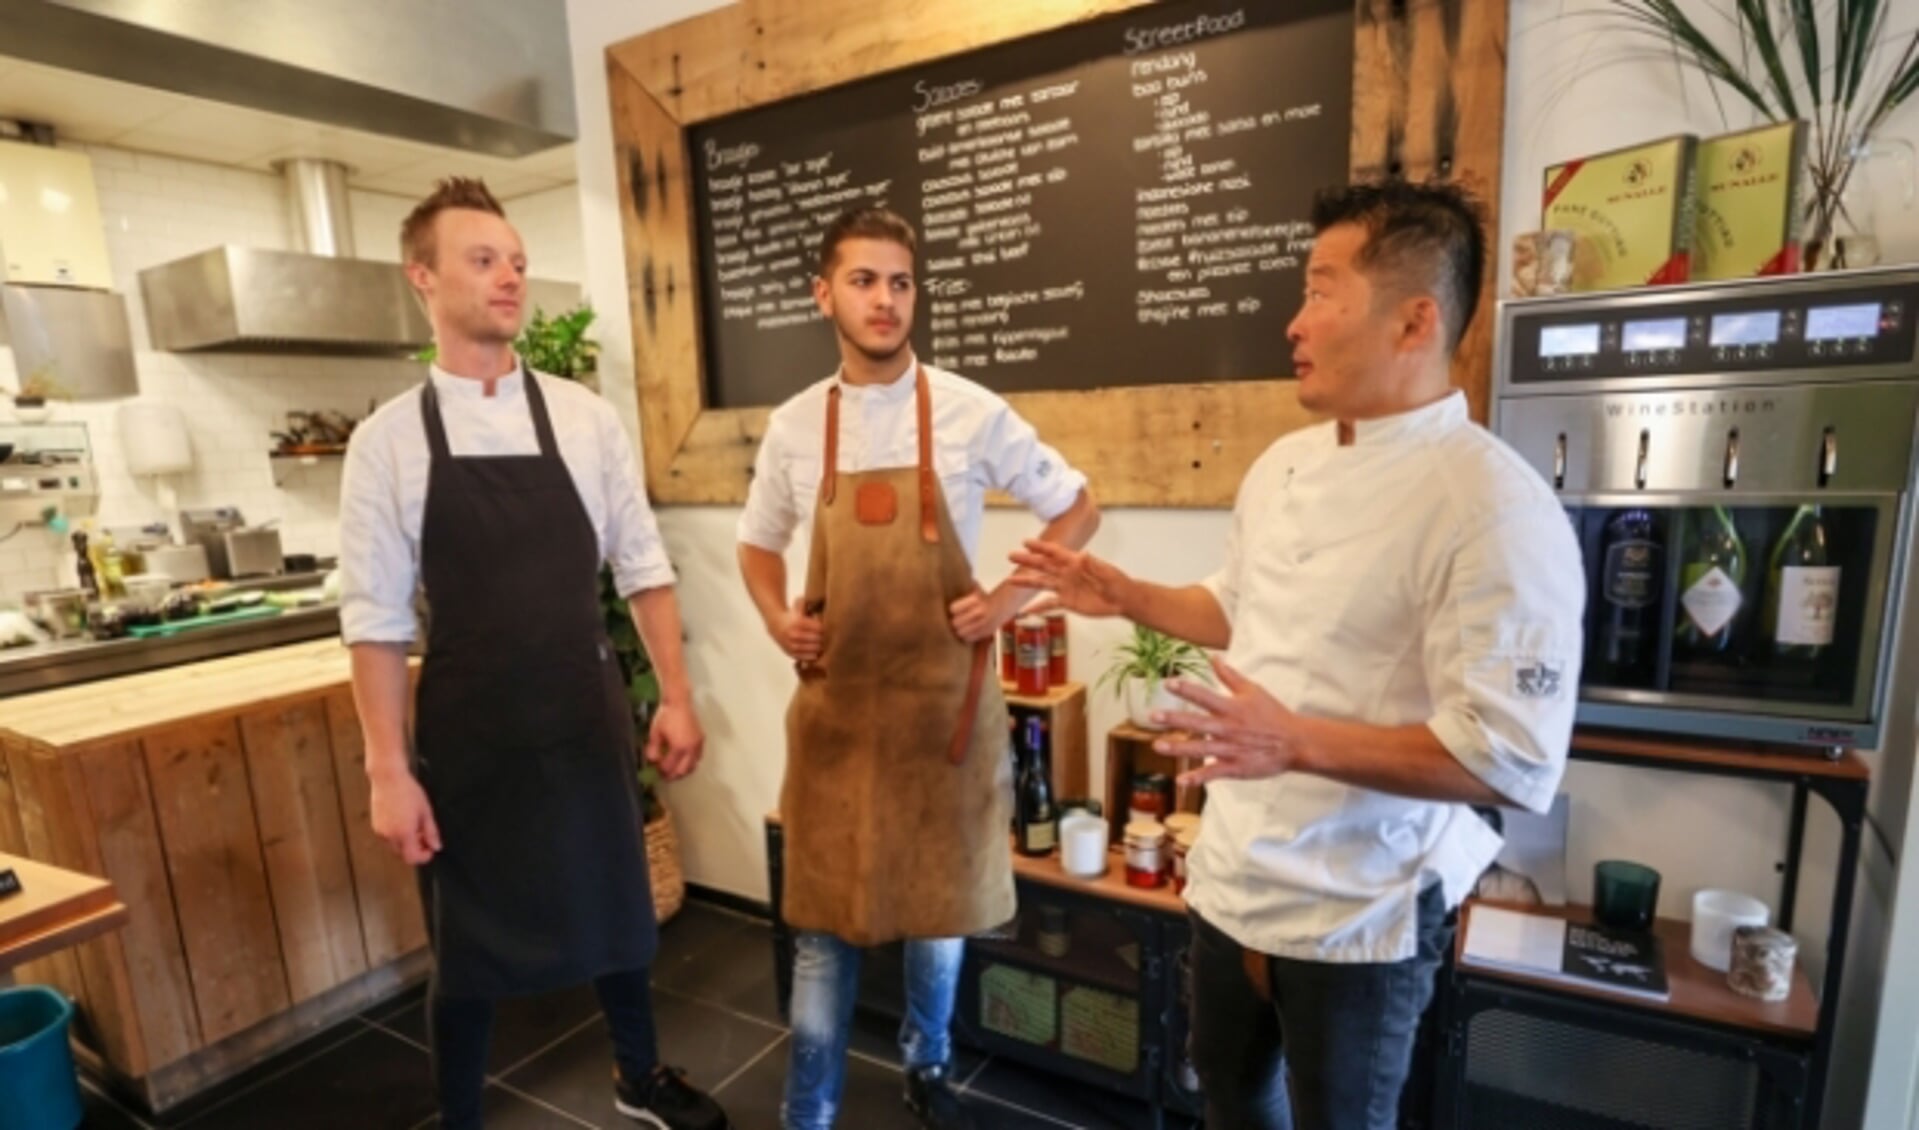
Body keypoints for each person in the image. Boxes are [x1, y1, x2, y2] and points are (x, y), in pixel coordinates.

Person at [1011, 180, 1585, 1129]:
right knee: (1231, 1100)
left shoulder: (1494, 507)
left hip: (1362, 909)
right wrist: (1124, 594)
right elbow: (1242, 608)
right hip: (1234, 874)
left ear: (1414, 322)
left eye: (1322, 291)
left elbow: (1508, 757)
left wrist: (1295, 744)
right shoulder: (1282, 465)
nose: (1294, 321)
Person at [340, 178, 729, 1130]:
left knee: (618, 917)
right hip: (470, 733)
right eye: (483, 260)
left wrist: (675, 695)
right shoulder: (386, 444)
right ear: (422, 278)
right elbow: (377, 620)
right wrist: (387, 769)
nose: (510, 276)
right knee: (465, 941)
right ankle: (459, 1115)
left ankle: (638, 1077)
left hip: (581, 714)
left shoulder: (584, 419)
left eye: (516, 260)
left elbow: (644, 566)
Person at [737, 205, 1100, 1130]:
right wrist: (779, 619)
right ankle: (807, 1108)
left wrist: (1008, 600)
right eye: (863, 280)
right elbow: (756, 543)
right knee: (822, 927)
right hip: (836, 720)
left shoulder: (972, 413)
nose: (885, 299)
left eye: (900, 281)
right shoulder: (791, 428)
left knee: (939, 916)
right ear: (825, 295)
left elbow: (1077, 509)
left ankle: (927, 1062)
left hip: (943, 710)